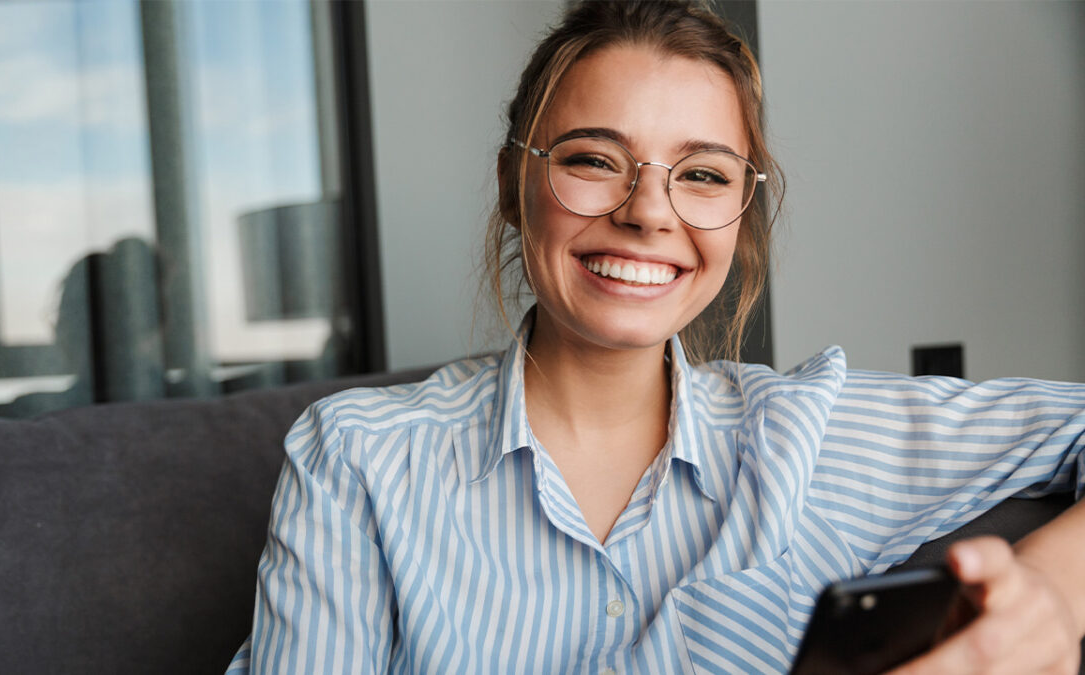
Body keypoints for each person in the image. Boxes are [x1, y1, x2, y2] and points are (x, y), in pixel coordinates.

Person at [227, 2, 1085, 672]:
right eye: (594, 159)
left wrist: (1046, 586)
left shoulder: (808, 433)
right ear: (512, 183)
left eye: (703, 175)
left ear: (742, 212)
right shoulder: (358, 460)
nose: (646, 212)